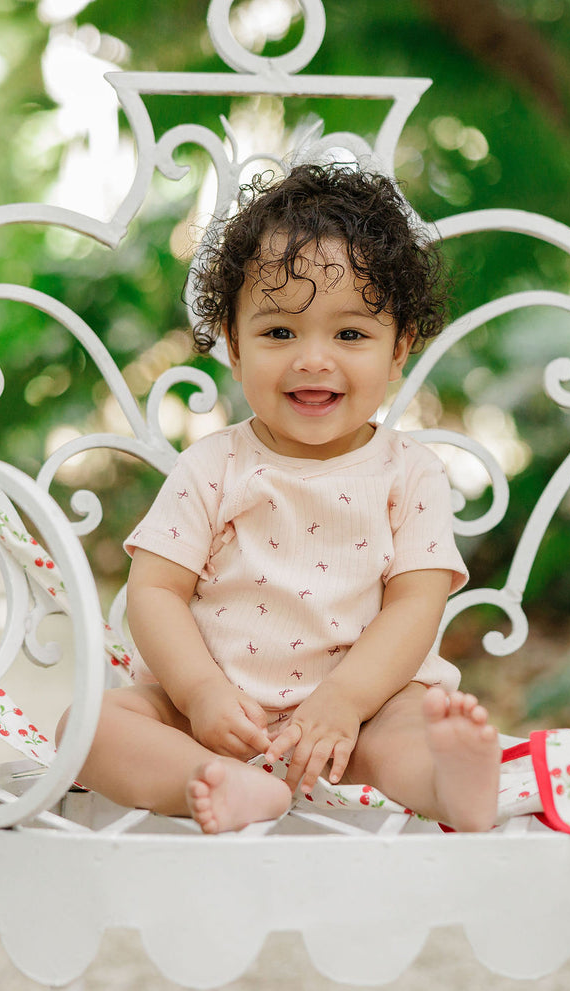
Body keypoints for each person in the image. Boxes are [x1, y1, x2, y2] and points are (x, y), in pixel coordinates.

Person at [61, 164, 501, 834]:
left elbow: (417, 602)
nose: (313, 359)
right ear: (234, 347)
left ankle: (450, 782)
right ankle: (212, 782)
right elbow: (154, 591)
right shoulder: (213, 465)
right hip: (212, 717)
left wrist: (346, 701)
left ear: (398, 350)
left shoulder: (408, 472)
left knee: (408, 726)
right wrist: (198, 690)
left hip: (358, 718)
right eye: (279, 333)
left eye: (350, 334)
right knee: (87, 722)